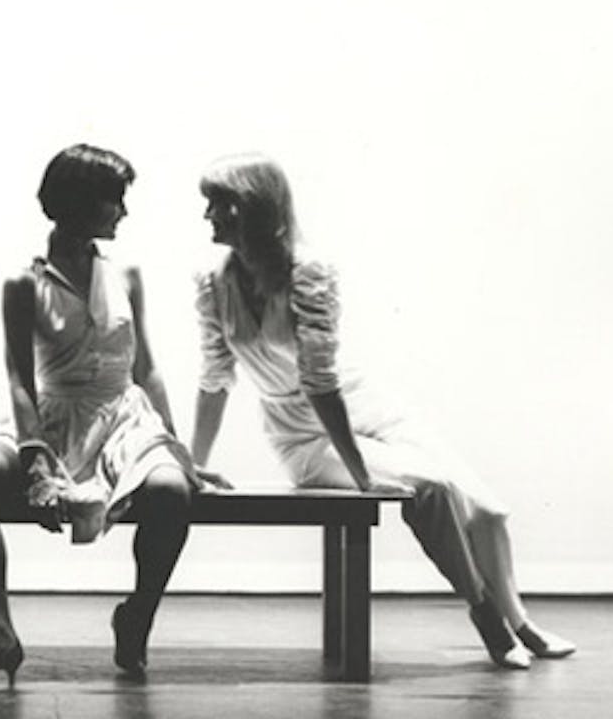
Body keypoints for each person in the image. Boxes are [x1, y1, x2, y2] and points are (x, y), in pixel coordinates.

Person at [189, 153, 577, 670]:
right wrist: (194, 464)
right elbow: (215, 380)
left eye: (220, 203)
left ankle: (522, 624)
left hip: (360, 406)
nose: (208, 215)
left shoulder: (309, 271)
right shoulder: (213, 284)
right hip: (301, 434)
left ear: (254, 208)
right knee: (432, 487)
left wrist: (359, 471)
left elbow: (323, 382)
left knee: (488, 510)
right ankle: (485, 614)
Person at [0, 144, 202, 686]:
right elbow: (19, 378)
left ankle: (138, 615)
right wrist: (35, 457)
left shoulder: (126, 275)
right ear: (79, 202)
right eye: (114, 199)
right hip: (54, 419)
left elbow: (146, 368)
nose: (123, 212)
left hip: (125, 420)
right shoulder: (24, 283)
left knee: (171, 491)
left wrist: (177, 448)